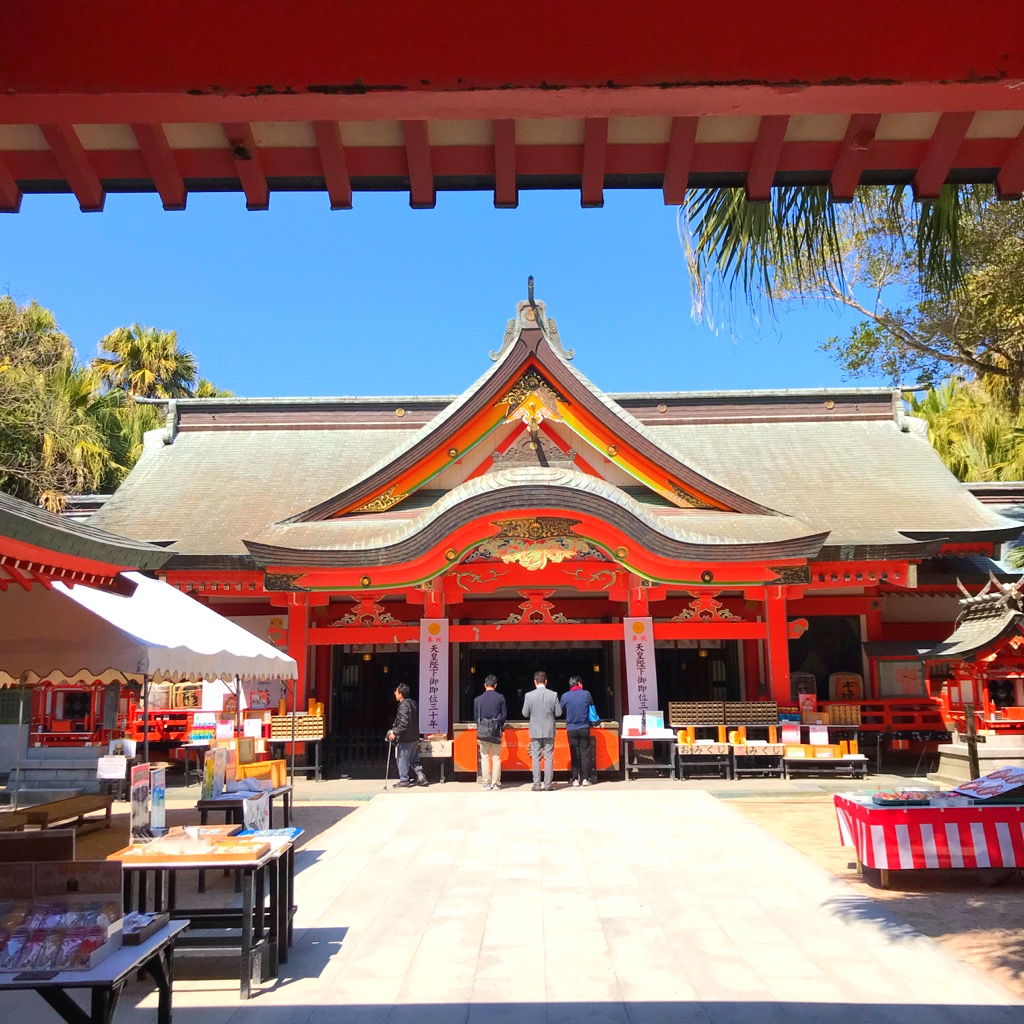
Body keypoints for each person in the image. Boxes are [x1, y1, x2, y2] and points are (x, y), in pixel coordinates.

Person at [522, 669, 561, 790]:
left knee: (536, 757)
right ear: (546, 681)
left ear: (535, 682)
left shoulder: (529, 695)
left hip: (535, 730)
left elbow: (525, 713)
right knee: (549, 757)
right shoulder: (553, 694)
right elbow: (559, 713)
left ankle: (537, 784)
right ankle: (548, 784)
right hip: (549, 730)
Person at [386, 684, 429, 788]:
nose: (395, 693)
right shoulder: (413, 703)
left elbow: (404, 724)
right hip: (414, 736)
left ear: (401, 694)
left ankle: (404, 780)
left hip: (406, 738)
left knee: (402, 760)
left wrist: (394, 733)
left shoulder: (403, 706)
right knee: (414, 758)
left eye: (396, 691)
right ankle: (420, 776)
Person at [559, 676, 595, 787]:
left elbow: (560, 711)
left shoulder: (565, 696)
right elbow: (592, 708)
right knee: (585, 754)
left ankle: (575, 779)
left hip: (571, 729)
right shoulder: (586, 694)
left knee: (574, 754)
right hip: (584, 727)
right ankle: (585, 779)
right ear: (579, 683)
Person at [473, 674, 507, 791]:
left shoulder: (477, 700)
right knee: (496, 757)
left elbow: (476, 718)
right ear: (495, 685)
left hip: (482, 732)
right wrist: (500, 727)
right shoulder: (500, 698)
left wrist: (481, 727)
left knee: (485, 757)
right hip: (496, 731)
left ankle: (486, 783)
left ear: (484, 685)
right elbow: (504, 716)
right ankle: (496, 783)